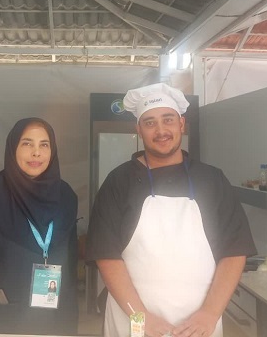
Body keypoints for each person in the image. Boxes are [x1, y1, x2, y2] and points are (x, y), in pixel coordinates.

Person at [86, 83, 256, 337]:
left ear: (181, 124)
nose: (161, 131)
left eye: (168, 120)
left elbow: (234, 251)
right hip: (133, 321)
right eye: (150, 123)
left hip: (199, 324)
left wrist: (210, 313)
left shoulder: (212, 180)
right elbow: (106, 254)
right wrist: (140, 316)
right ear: (138, 129)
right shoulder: (119, 181)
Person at [0, 117, 79, 335]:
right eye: (27, 143)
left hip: (54, 319)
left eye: (44, 145)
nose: (36, 153)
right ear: (13, 148)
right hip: (3, 322)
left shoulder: (66, 197)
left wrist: (70, 325)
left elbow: (70, 267)